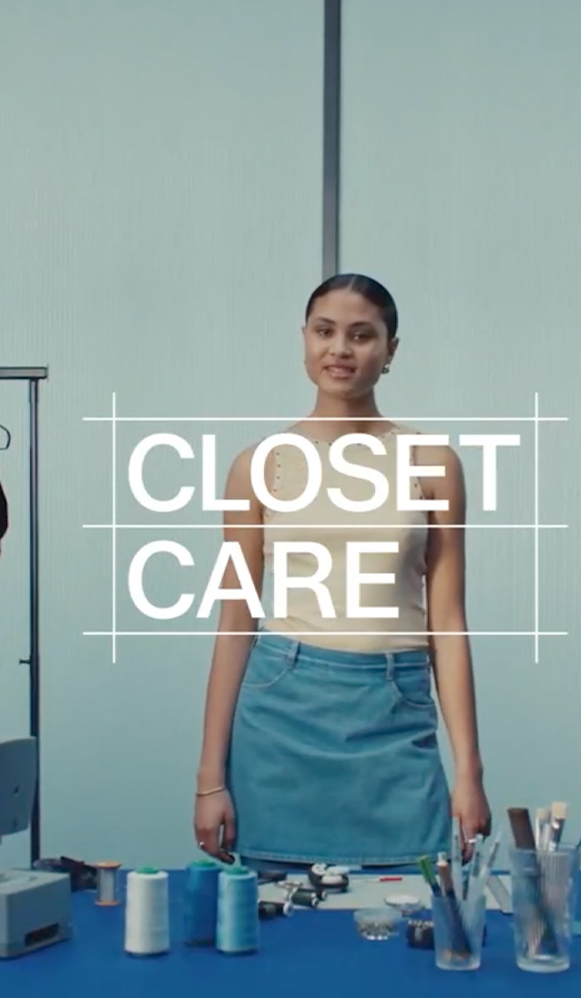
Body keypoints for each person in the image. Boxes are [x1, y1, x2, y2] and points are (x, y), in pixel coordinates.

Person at [191, 273, 490, 871]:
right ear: (303, 340)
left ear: (390, 350)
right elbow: (235, 620)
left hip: (394, 705)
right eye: (325, 332)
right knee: (277, 938)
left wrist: (469, 773)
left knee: (412, 916)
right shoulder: (259, 466)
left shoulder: (433, 464)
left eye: (362, 335)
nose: (341, 350)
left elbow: (449, 623)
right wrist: (209, 778)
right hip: (282, 712)